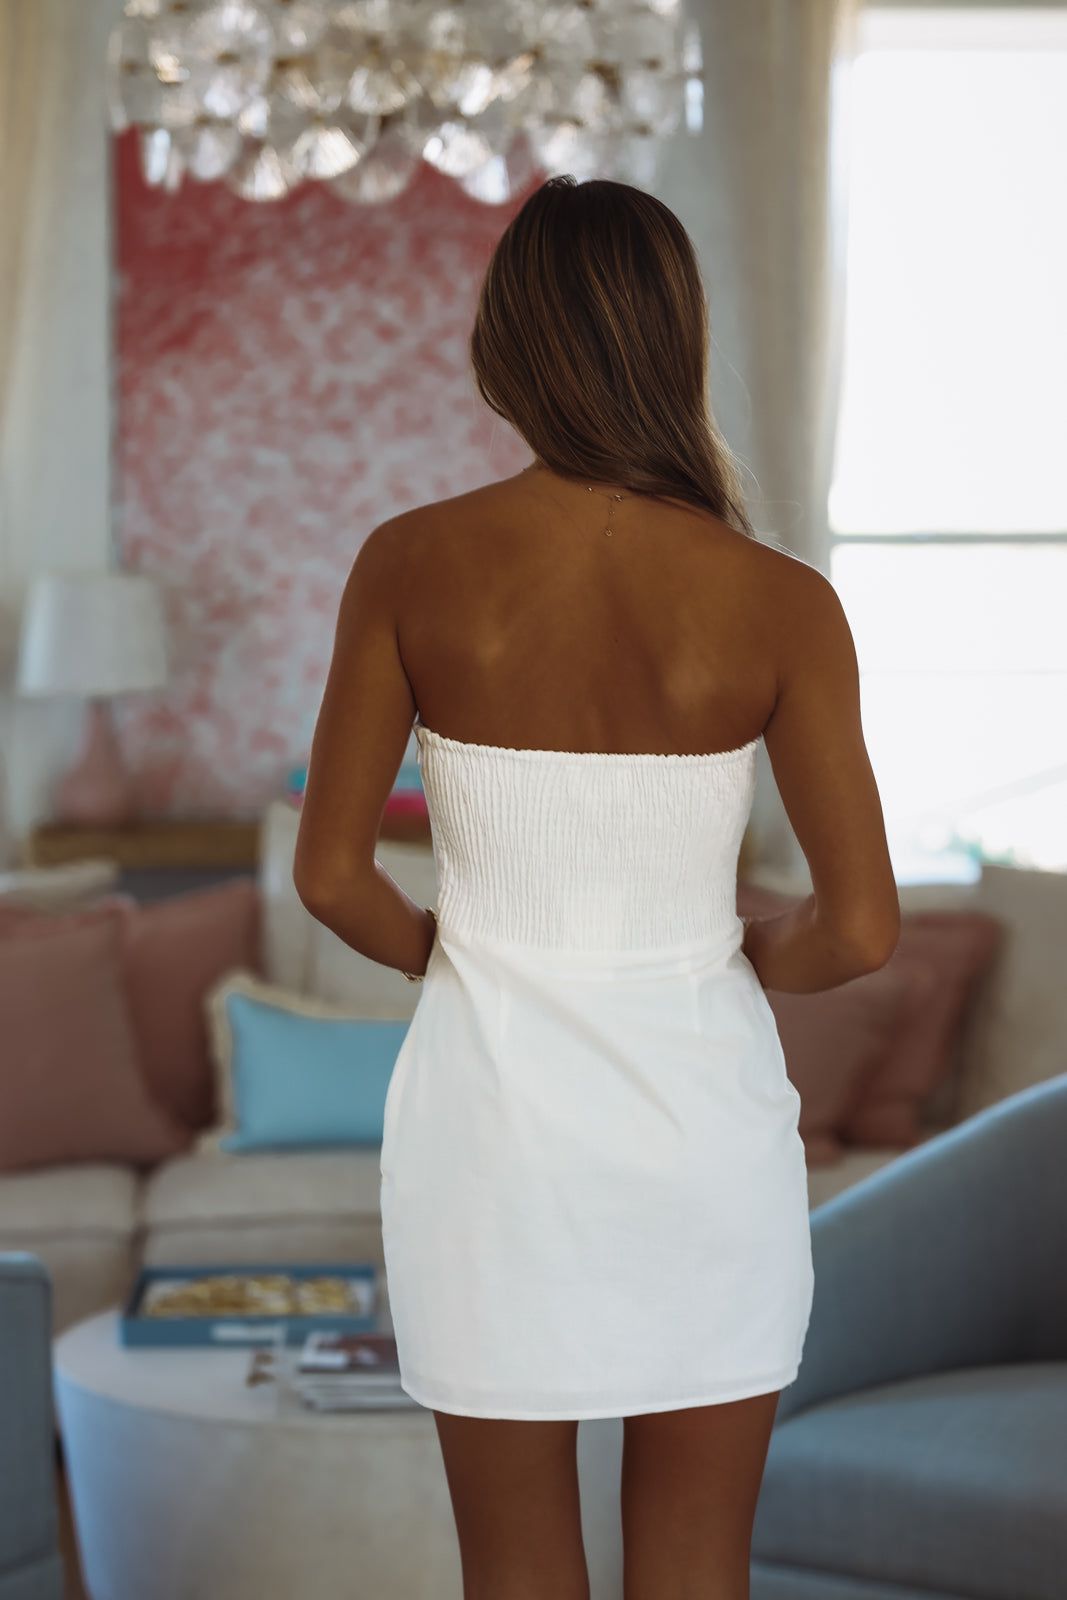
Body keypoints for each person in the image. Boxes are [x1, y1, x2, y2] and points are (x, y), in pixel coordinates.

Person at [293, 175, 900, 1600]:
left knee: (513, 1572)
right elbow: (863, 929)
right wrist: (743, 958)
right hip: (702, 1136)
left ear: (507, 347)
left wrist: (448, 950)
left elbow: (328, 876)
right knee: (695, 1566)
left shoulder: (409, 562)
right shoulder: (782, 601)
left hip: (488, 1135)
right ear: (677, 342)